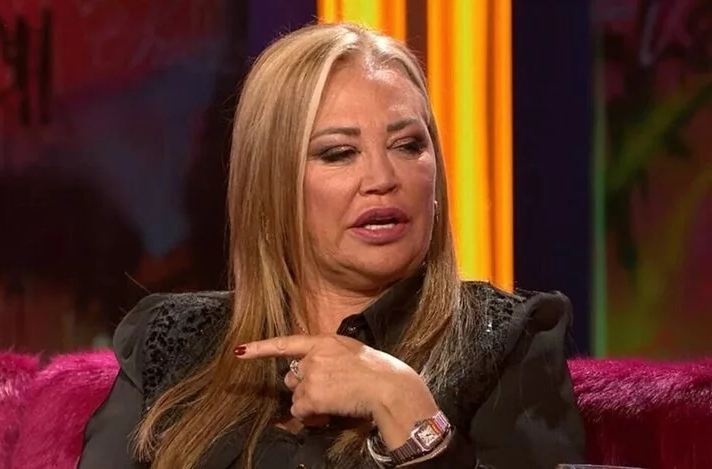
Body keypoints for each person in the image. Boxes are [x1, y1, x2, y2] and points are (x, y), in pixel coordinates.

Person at [78, 22, 585, 469]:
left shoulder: (507, 341)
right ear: (270, 187)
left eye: (409, 145)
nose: (383, 178)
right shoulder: (168, 341)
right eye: (339, 153)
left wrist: (403, 408)